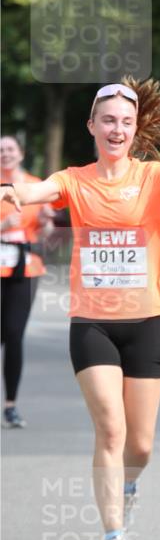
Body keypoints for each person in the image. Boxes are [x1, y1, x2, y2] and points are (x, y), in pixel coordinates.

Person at [0, 79, 160, 540]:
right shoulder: (73, 179)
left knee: (141, 445)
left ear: (135, 130)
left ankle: (127, 485)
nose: (117, 129)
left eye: (126, 122)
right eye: (108, 120)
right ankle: (114, 538)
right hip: (93, 322)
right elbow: (35, 191)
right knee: (111, 428)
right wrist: (9, 191)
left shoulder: (153, 175)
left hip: (149, 320)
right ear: (91, 125)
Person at [1, 135, 54, 428]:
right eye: (0, 150)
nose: (5, 154)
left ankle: (10, 405)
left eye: (10, 149)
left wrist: (46, 222)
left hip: (27, 267)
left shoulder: (35, 186)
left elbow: (46, 234)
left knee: (14, 334)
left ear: (20, 154)